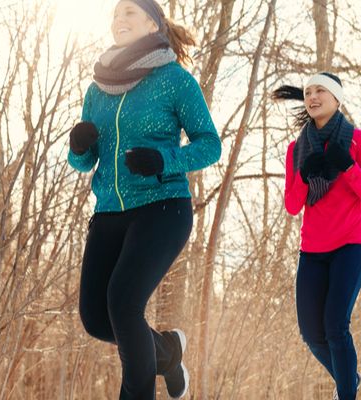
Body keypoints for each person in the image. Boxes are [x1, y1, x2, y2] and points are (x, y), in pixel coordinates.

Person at [67, 1, 221, 398]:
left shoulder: (174, 79)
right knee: (97, 320)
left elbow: (210, 145)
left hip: (162, 207)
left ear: (152, 25)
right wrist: (79, 148)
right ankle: (167, 351)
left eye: (129, 13)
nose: (119, 20)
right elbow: (84, 162)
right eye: (115, 15)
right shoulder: (97, 89)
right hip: (109, 212)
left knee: (122, 303)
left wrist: (164, 160)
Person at [273, 73, 361, 400]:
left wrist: (347, 166)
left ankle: (347, 393)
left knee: (335, 324)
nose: (313, 96)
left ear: (337, 98)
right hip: (313, 250)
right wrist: (305, 176)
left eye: (320, 90)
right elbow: (293, 205)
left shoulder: (357, 141)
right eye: (308, 92)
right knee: (310, 332)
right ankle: (349, 378)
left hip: (350, 244)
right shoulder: (297, 149)